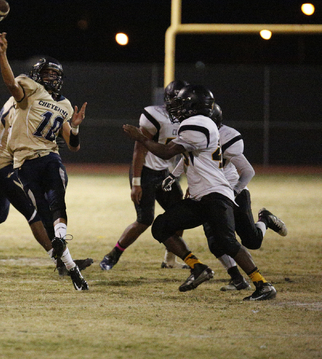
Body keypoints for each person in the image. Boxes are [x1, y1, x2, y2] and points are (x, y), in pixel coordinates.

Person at [123, 84, 277, 301]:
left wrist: (140, 137)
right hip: (198, 197)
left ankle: (263, 284)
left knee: (227, 242)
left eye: (181, 104)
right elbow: (185, 157)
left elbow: (167, 153)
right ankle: (197, 268)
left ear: (194, 105)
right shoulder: (196, 123)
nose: (176, 108)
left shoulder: (199, 123)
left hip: (215, 193)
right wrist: (172, 177)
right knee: (161, 226)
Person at [0, 32, 90, 291]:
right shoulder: (29, 89)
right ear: (38, 76)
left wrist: (76, 128)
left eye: (54, 74)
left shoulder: (67, 105)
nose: (51, 78)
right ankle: (72, 269)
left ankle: (61, 243)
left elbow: (74, 145)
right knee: (45, 216)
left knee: (58, 202)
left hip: (49, 156)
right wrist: (2, 54)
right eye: (47, 73)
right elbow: (11, 84)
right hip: (24, 162)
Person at [0, 97, 94, 276]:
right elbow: (22, 139)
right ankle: (61, 262)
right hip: (3, 166)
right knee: (35, 213)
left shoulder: (19, 99)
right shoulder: (27, 105)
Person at [163, 103, 287, 291]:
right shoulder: (198, 134)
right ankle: (237, 278)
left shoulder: (227, 137)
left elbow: (248, 171)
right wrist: (174, 176)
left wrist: (234, 193)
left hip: (231, 192)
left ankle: (265, 220)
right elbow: (186, 156)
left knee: (251, 241)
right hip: (209, 194)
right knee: (216, 242)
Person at [100, 80, 188, 271]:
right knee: (145, 219)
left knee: (180, 214)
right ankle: (112, 255)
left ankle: (170, 259)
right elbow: (139, 149)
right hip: (146, 171)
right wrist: (136, 183)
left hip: (166, 173)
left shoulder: (189, 120)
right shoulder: (154, 115)